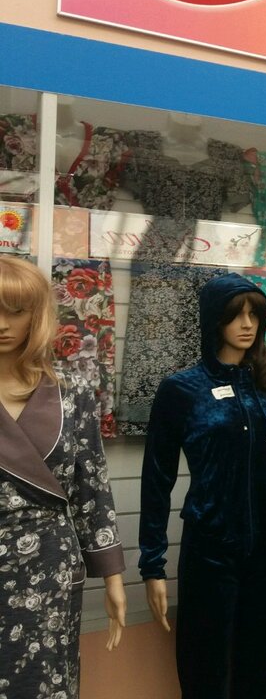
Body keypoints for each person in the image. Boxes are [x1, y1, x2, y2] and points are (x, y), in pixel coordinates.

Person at [139, 272, 266, 699]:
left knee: (257, 666)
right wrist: (152, 563)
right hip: (212, 549)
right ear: (213, 320)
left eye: (254, 315)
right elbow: (157, 479)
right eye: (236, 315)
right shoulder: (182, 390)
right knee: (205, 669)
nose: (247, 324)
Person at [0, 256, 126, 699]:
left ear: (37, 315)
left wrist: (112, 574)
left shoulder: (72, 391)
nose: (3, 324)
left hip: (50, 567)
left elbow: (92, 486)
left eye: (16, 311)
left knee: (45, 682)